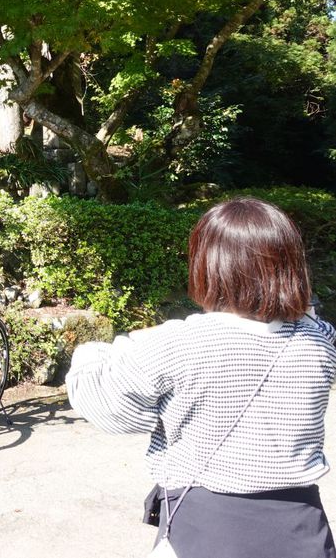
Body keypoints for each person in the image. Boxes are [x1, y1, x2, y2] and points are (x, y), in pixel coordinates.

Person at [67, 197, 336, 558]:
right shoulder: (318, 340)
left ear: (211, 265)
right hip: (302, 529)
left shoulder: (180, 342)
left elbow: (111, 410)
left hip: (210, 530)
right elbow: (306, 323)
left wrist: (91, 354)